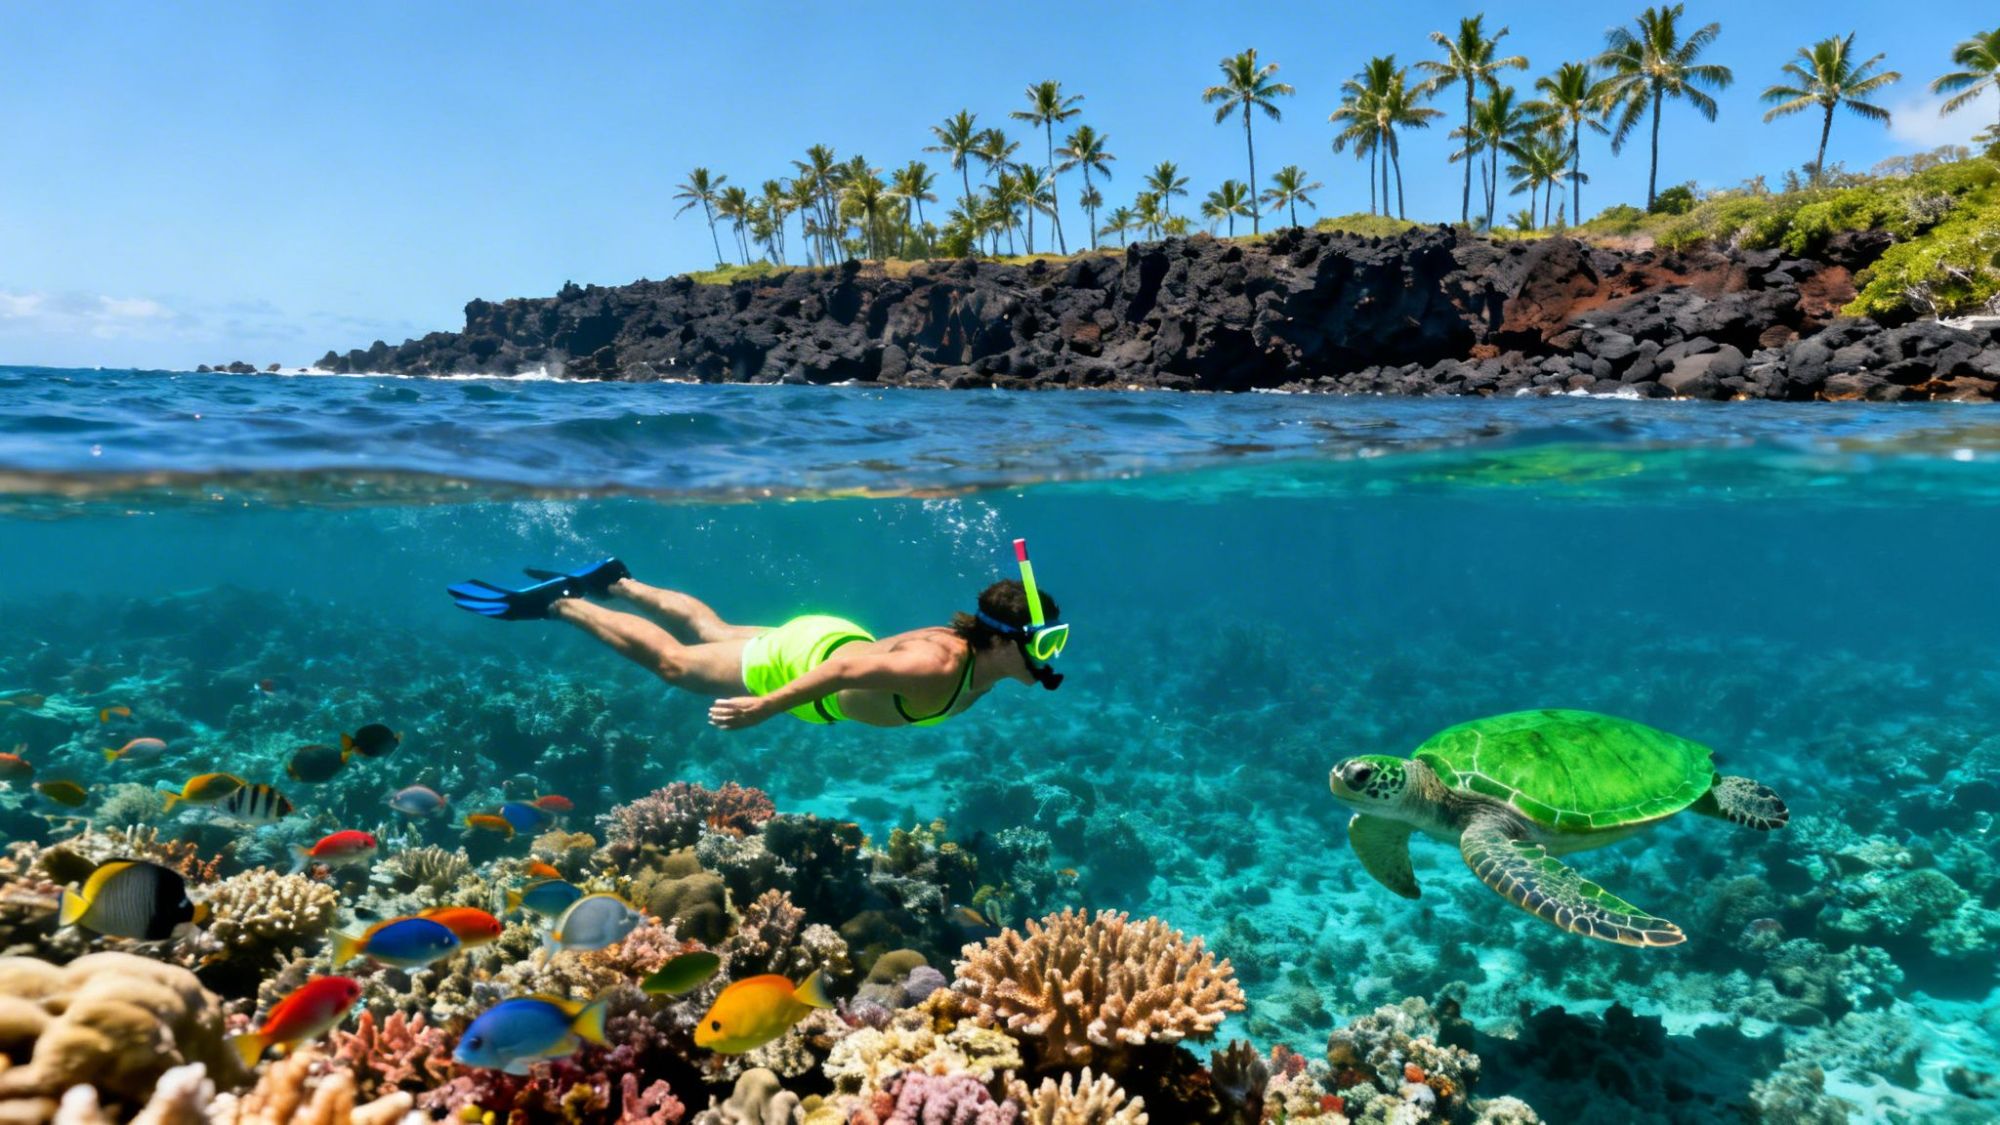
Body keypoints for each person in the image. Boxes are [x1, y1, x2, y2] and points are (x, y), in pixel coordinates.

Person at [447, 544, 1067, 730]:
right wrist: (765, 706)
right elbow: (848, 675)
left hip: (836, 637)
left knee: (712, 628)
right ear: (1005, 641)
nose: (1051, 657)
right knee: (677, 663)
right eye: (1044, 644)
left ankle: (619, 582)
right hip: (808, 661)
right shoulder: (937, 667)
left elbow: (863, 661)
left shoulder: (985, 660)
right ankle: (563, 604)